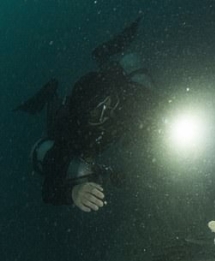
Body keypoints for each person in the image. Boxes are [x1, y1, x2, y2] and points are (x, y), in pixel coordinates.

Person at [15, 16, 160, 212]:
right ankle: (51, 93)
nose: (106, 114)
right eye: (96, 113)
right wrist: (73, 193)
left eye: (107, 104)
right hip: (64, 120)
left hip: (110, 81)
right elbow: (48, 192)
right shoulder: (71, 136)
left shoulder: (121, 94)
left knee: (138, 88)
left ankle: (101, 55)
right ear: (84, 117)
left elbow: (153, 102)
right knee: (71, 151)